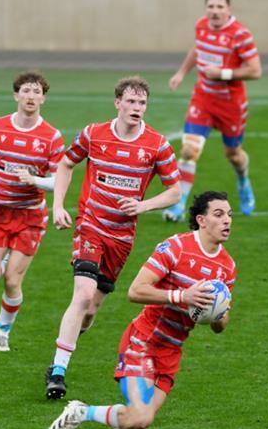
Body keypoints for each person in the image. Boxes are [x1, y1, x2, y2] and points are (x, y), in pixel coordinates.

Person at [46, 191, 236, 429]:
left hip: (171, 353)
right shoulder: (175, 247)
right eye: (218, 214)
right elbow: (136, 290)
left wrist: (214, 315)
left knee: (136, 427)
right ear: (202, 220)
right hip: (143, 341)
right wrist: (181, 297)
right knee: (140, 418)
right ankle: (81, 412)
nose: (226, 220)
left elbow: (221, 323)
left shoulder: (227, 267)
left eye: (229, 214)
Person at [46, 76, 181, 400]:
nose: (137, 108)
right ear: (117, 103)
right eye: (131, 102)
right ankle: (58, 370)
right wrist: (58, 206)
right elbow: (66, 164)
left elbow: (175, 191)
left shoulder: (157, 144)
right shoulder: (94, 134)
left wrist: (143, 205)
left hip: (121, 237)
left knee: (90, 310)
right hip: (90, 225)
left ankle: (69, 340)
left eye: (142, 103)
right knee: (82, 293)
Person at [0, 71, 65, 352]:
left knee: (13, 281)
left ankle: (3, 330)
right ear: (16, 95)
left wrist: (34, 181)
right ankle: (2, 260)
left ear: (43, 99)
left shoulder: (51, 137)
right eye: (26, 91)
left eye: (37, 92)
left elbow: (60, 179)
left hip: (30, 217)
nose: (31, 96)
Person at [163, 0, 262, 221]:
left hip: (231, 105)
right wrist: (181, 73)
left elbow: (255, 70)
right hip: (203, 99)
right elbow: (197, 49)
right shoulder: (201, 26)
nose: (215, 11)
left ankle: (243, 181)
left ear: (229, 10)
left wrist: (222, 73)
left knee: (233, 154)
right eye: (211, 7)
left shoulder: (240, 35)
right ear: (205, 8)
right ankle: (178, 205)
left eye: (220, 7)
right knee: (188, 151)